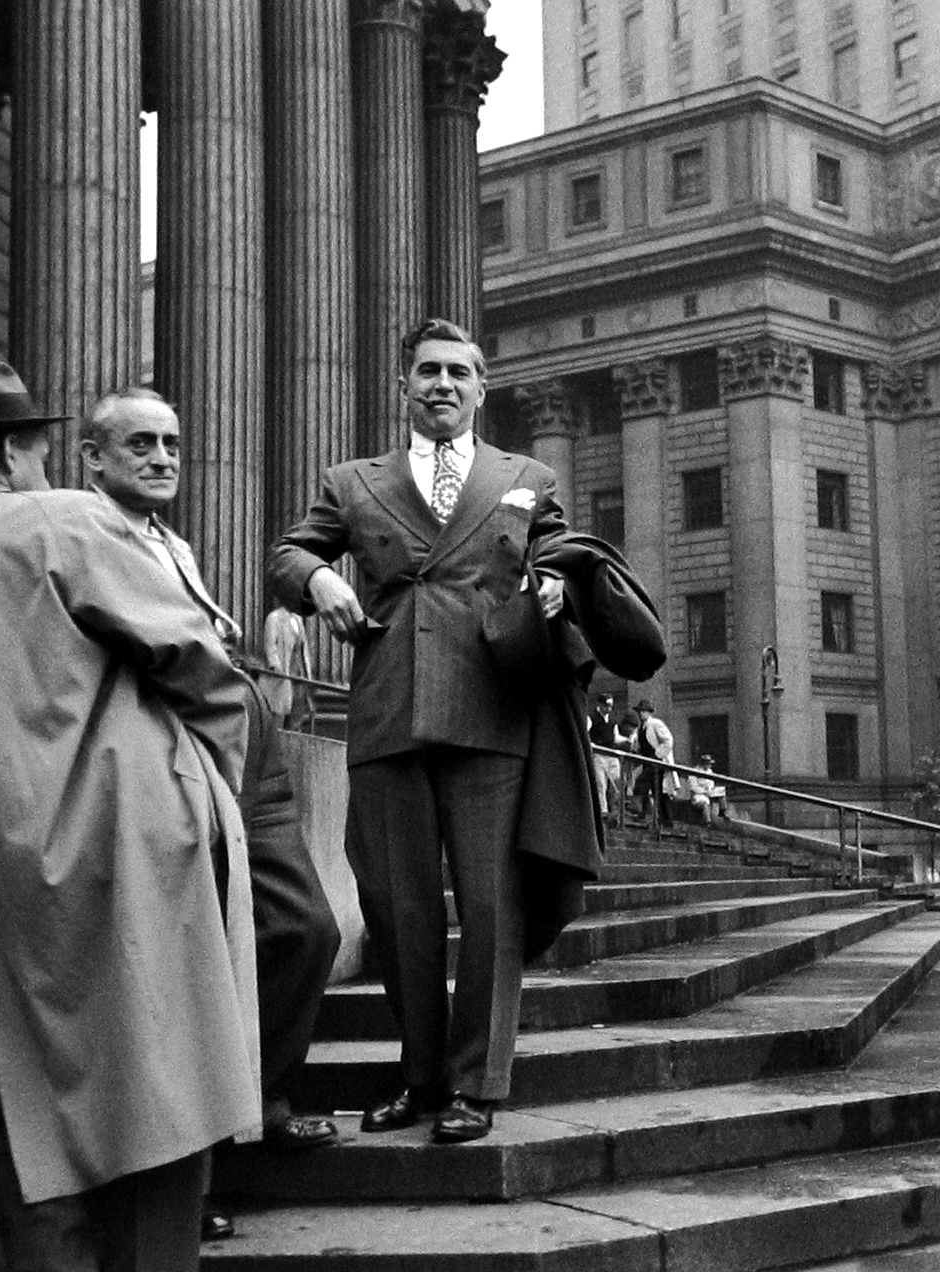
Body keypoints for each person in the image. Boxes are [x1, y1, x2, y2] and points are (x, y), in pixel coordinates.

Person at [0, 362, 258, 1270]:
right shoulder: (62, 519)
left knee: (24, 1113)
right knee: (166, 1093)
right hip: (139, 834)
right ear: (10, 451)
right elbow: (199, 663)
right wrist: (216, 784)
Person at [268, 318, 626, 1146]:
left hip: (491, 709)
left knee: (492, 908)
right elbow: (286, 555)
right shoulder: (352, 482)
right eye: (428, 371)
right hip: (389, 710)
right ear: (404, 385)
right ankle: (421, 1076)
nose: (443, 385)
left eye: (459, 373)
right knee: (397, 911)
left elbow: (563, 555)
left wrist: (555, 588)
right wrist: (319, 578)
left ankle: (475, 1083)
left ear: (481, 388)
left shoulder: (526, 477)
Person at [79, 389, 343, 1238]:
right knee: (187, 969)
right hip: (174, 758)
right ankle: (187, 1178)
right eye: (140, 444)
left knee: (304, 928)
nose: (163, 458)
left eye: (171, 443)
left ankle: (261, 1098)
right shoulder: (84, 537)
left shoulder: (173, 542)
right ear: (93, 458)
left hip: (245, 749)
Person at [631, 699, 680, 828]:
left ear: (649, 712)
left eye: (643, 711)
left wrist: (658, 755)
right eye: (639, 711)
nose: (641, 714)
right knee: (656, 790)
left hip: (656, 762)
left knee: (643, 784)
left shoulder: (655, 724)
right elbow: (639, 744)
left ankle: (643, 813)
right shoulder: (640, 728)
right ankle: (664, 819)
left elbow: (668, 740)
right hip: (647, 761)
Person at [588, 692, 625, 820]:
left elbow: (615, 737)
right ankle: (603, 810)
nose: (608, 709)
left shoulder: (612, 720)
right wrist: (591, 745)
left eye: (610, 706)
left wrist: (627, 740)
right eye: (606, 706)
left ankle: (615, 809)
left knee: (616, 783)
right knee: (601, 783)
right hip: (599, 754)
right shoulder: (591, 718)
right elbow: (586, 732)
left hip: (612, 754)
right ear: (599, 705)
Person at [686, 754, 730, 821]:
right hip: (699, 794)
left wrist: (711, 789)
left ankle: (722, 812)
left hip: (709, 791)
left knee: (721, 791)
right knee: (704, 803)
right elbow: (693, 787)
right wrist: (704, 791)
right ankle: (708, 822)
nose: (709, 765)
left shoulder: (709, 771)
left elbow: (711, 782)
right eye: (707, 763)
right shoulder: (694, 772)